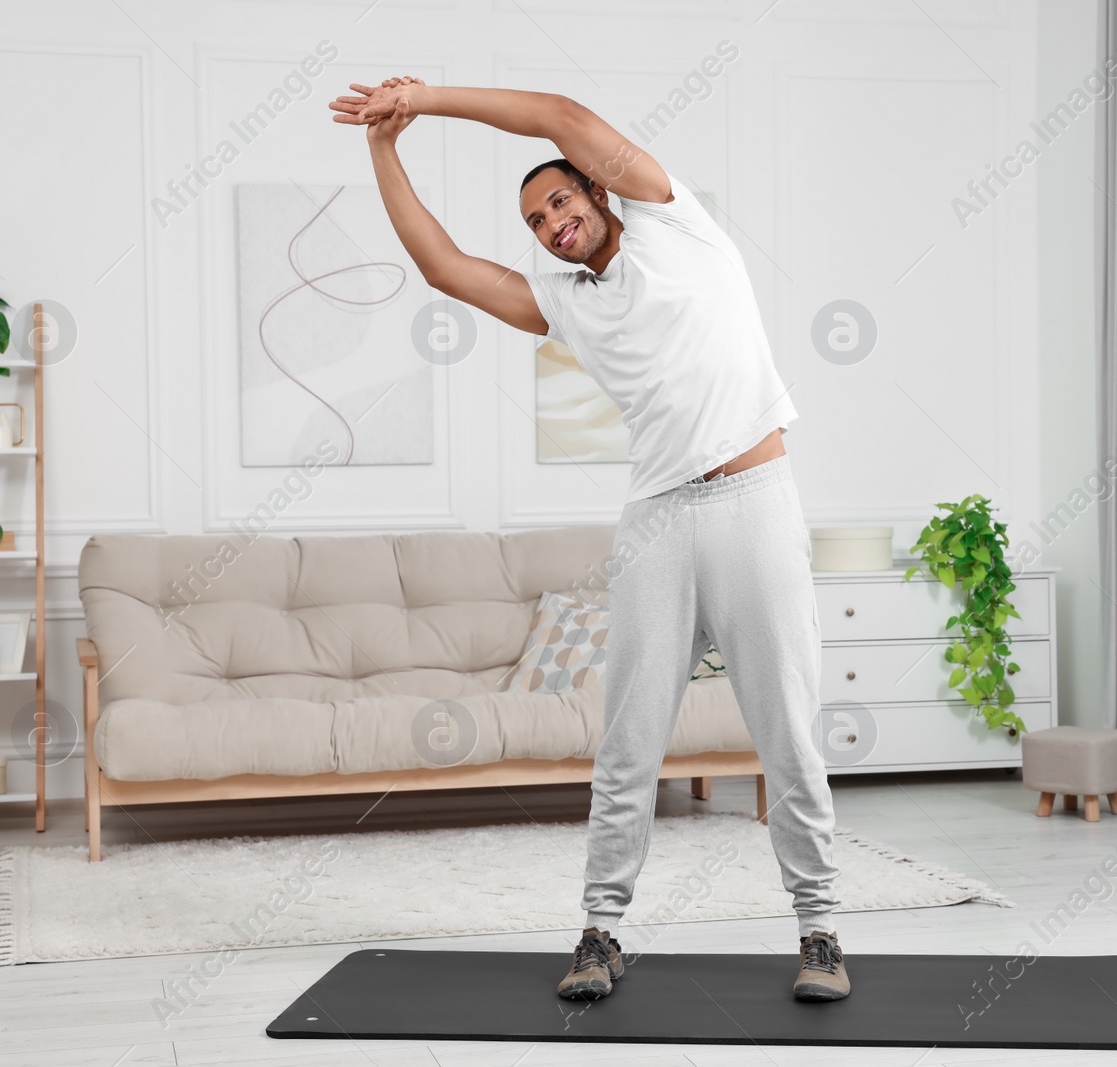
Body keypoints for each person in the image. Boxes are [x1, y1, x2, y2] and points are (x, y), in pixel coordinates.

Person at [330, 76, 850, 1003]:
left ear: (600, 194)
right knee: (628, 741)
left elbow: (563, 117)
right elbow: (445, 268)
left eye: (560, 201)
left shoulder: (673, 223)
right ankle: (602, 931)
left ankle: (819, 930)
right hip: (657, 519)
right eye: (534, 221)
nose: (550, 225)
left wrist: (429, 96)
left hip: (755, 499)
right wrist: (384, 146)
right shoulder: (563, 300)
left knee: (786, 729)